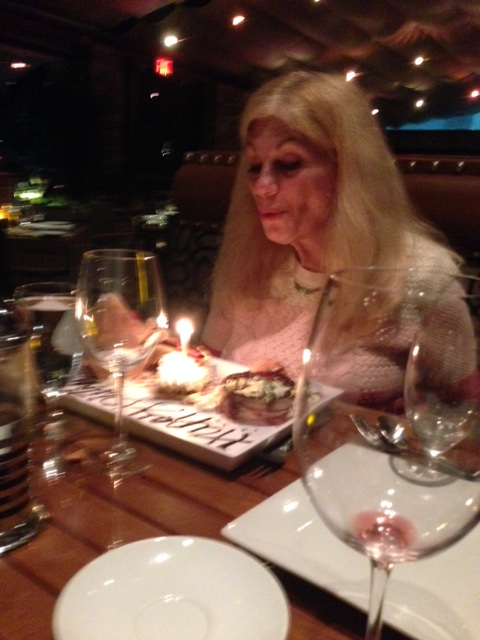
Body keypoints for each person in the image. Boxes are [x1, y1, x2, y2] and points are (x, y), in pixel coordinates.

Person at [201, 70, 460, 390]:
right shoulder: (249, 261)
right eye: (255, 166)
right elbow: (206, 364)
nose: (262, 187)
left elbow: (459, 406)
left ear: (348, 170)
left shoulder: (424, 276)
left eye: (289, 163)